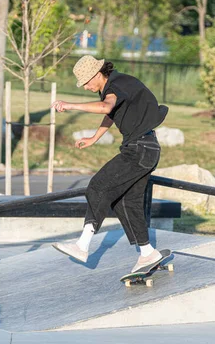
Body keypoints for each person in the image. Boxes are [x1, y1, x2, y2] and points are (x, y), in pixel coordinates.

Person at [51, 55, 168, 273]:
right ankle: (148, 253)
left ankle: (82, 245)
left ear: (97, 74)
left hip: (139, 150)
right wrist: (94, 138)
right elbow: (111, 113)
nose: (86, 87)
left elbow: (106, 107)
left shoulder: (115, 86)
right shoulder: (117, 84)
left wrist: (70, 105)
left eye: (86, 82)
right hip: (147, 149)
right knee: (126, 202)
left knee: (98, 186)